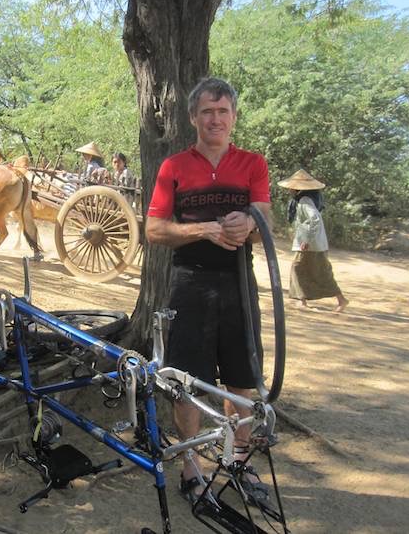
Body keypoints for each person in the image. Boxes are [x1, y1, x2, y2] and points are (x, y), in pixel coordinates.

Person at [145, 77, 272, 506]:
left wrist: (249, 224)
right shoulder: (173, 166)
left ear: (233, 116)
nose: (215, 119)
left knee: (243, 384)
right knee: (188, 383)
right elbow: (154, 230)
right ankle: (192, 466)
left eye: (222, 111)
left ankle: (238, 461)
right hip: (190, 283)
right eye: (207, 112)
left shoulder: (253, 163)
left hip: (239, 283)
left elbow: (267, 221)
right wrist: (204, 229)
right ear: (193, 118)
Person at [278, 169, 349, 312]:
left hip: (310, 245)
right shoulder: (305, 200)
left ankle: (305, 301)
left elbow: (314, 219)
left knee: (301, 269)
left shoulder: (305, 200)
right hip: (314, 244)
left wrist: (307, 240)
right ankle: (308, 300)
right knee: (314, 270)